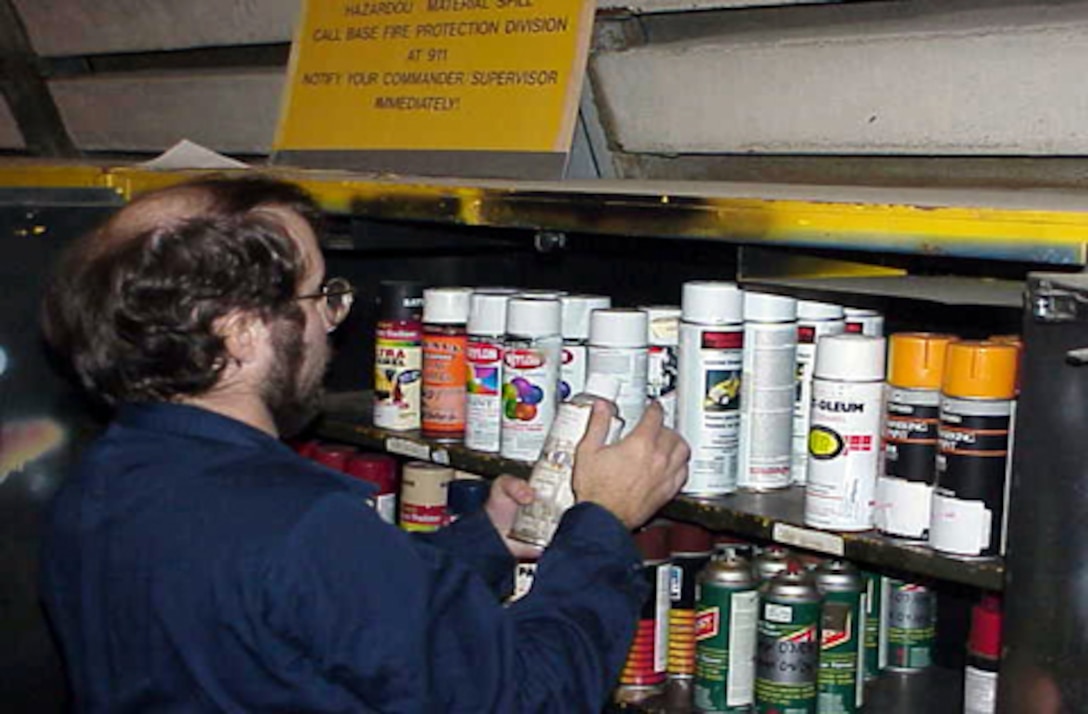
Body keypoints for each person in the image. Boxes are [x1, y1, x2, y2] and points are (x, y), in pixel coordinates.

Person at [39, 176, 690, 713]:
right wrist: (602, 523)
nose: (330, 320)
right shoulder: (302, 524)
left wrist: (481, 539)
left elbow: (316, 618)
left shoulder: (100, 480)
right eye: (319, 295)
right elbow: (528, 693)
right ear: (238, 335)